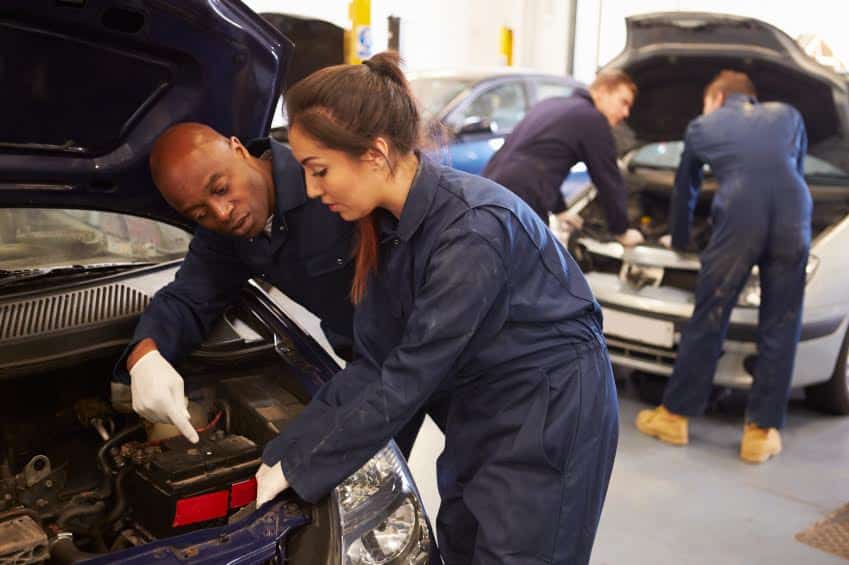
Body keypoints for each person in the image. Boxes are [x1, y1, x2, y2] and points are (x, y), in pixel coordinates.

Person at [253, 51, 619, 565]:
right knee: (463, 542)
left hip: (549, 404)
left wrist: (308, 468)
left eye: (319, 170)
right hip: (480, 400)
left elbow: (409, 376)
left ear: (376, 153)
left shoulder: (471, 230)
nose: (312, 190)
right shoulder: (387, 228)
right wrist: (283, 457)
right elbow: (375, 363)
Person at [113, 123, 356, 443]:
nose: (222, 213)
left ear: (239, 150)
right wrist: (145, 357)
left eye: (220, 188)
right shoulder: (225, 237)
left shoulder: (321, 173)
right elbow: (189, 297)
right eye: (200, 214)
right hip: (370, 362)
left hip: (431, 337)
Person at [636, 70, 811, 464]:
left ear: (716, 97)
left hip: (739, 216)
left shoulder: (703, 124)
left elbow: (686, 189)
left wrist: (681, 241)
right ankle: (760, 434)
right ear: (750, 98)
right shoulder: (788, 114)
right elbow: (793, 171)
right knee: (781, 322)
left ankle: (675, 417)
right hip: (794, 216)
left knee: (710, 316)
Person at [482, 69, 644, 247]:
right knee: (531, 265)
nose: (626, 113)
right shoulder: (592, 120)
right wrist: (621, 230)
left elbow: (541, 160)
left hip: (489, 186)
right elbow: (607, 179)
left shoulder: (552, 104)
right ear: (603, 92)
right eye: (624, 103)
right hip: (523, 198)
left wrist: (560, 210)